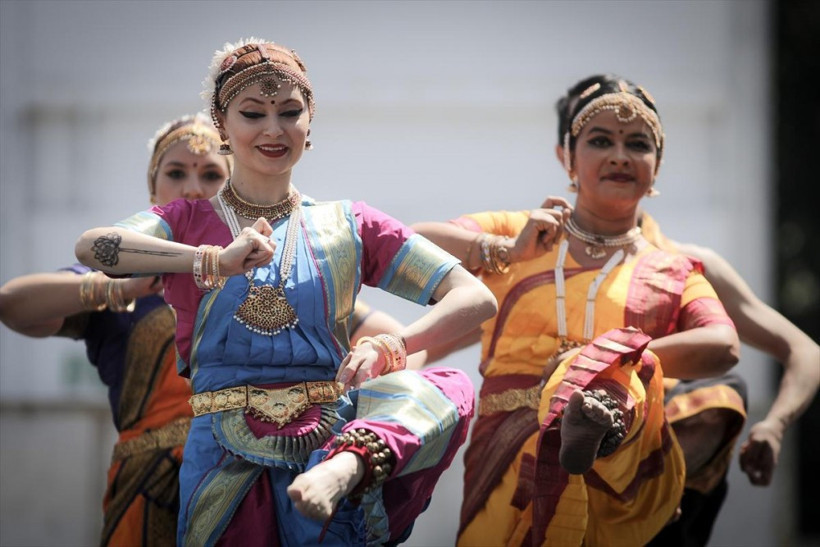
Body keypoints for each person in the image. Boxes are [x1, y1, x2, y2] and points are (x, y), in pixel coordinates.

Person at [74, 38, 497, 546]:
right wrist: (210, 260)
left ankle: (348, 467)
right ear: (222, 123)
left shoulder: (349, 224)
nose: (274, 130)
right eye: (253, 113)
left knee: (446, 386)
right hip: (223, 447)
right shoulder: (186, 220)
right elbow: (94, 247)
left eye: (290, 112)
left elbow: (475, 297)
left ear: (309, 121)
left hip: (330, 436)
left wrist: (393, 345)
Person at [413, 74, 740, 546]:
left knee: (621, 365)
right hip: (506, 445)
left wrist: (603, 360)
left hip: (614, 456)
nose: (620, 156)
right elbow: (409, 241)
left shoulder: (671, 268)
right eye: (601, 140)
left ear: (658, 165)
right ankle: (575, 420)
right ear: (567, 156)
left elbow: (723, 345)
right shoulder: (526, 231)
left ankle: (585, 418)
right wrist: (507, 249)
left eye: (639, 144)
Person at [0, 113, 230, 545]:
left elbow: (365, 329)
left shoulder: (271, 275)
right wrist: (111, 288)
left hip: (245, 480)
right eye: (176, 173)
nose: (194, 188)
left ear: (235, 191)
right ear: (153, 192)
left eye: (212, 174)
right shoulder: (123, 277)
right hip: (150, 492)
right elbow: (13, 305)